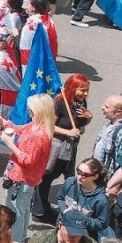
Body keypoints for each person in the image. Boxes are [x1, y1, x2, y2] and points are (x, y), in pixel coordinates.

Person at [0, 95, 57, 241]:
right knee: (22, 211)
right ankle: (21, 239)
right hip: (26, 178)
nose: (28, 110)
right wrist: (2, 121)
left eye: (31, 108)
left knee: (15, 212)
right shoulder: (37, 125)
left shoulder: (39, 134)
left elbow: (28, 160)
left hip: (22, 179)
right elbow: (19, 129)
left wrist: (10, 143)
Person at [35, 75, 93, 224]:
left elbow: (80, 123)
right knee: (47, 177)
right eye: (82, 90)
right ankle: (39, 211)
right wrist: (68, 132)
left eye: (87, 90)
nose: (85, 94)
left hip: (71, 147)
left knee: (69, 177)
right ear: (73, 88)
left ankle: (67, 209)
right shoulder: (60, 103)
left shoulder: (80, 102)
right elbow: (48, 126)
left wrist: (89, 116)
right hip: (57, 147)